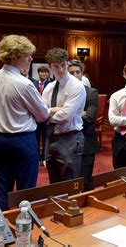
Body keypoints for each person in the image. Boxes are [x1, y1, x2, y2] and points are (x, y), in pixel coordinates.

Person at [0, 35, 49, 210]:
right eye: (27, 55)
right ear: (15, 57)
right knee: (26, 192)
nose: (31, 59)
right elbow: (43, 114)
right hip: (22, 140)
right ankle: (24, 232)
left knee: (2, 189)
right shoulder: (24, 83)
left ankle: (3, 231)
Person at [42, 48, 86, 184]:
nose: (60, 69)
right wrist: (54, 110)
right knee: (53, 182)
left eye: (63, 65)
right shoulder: (49, 87)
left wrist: (47, 113)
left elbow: (66, 116)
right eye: (56, 66)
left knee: (69, 184)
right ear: (50, 67)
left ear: (67, 63)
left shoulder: (76, 86)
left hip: (70, 138)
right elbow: (39, 113)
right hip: (50, 138)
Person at [68, 60, 99, 191]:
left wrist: (66, 112)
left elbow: (90, 118)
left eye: (77, 72)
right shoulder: (62, 92)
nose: (75, 75)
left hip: (87, 142)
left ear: (82, 74)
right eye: (71, 73)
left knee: (85, 182)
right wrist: (79, 112)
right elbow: (52, 116)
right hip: (67, 142)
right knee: (68, 183)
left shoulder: (91, 92)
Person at [33, 65, 51, 166]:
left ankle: (44, 157)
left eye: (46, 72)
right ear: (38, 73)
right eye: (41, 72)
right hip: (35, 116)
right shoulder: (32, 84)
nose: (43, 74)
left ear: (48, 74)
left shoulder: (51, 84)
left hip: (46, 116)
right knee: (35, 138)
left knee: (45, 138)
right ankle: (36, 158)